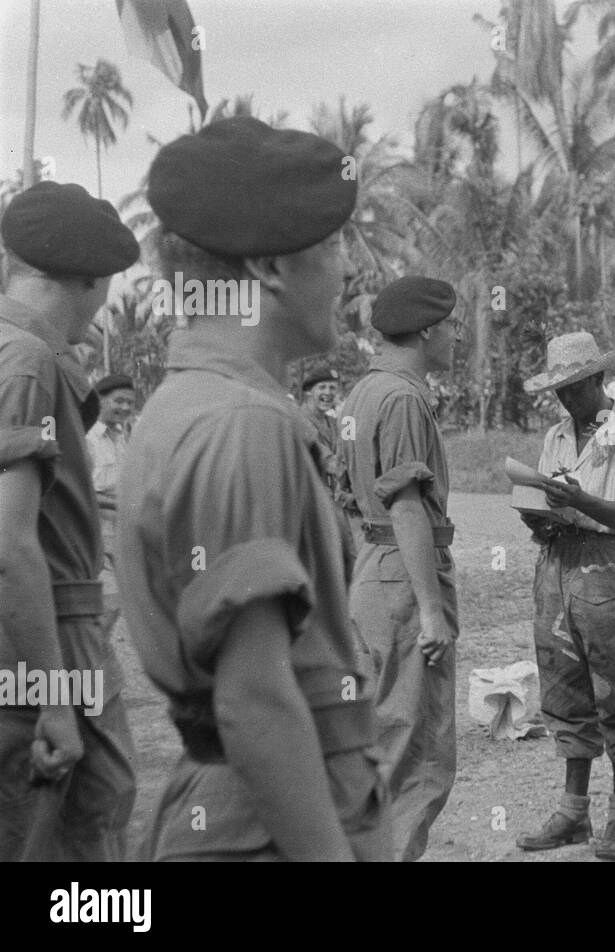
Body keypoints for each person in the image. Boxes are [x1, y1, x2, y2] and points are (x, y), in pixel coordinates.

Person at [116, 116, 391, 860]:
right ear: (270, 268)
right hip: (270, 828)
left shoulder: (185, 403)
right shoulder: (244, 425)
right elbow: (255, 698)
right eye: (333, 246)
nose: (346, 271)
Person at [0, 181, 139, 860]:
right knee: (72, 831)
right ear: (90, 278)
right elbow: (11, 546)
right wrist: (56, 699)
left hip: (34, 632)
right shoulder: (26, 361)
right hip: (47, 633)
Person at [338, 275, 461, 862]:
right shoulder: (404, 398)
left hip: (372, 569)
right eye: (453, 326)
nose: (458, 336)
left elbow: (347, 499)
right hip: (407, 571)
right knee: (417, 753)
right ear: (428, 330)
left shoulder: (362, 394)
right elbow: (407, 506)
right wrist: (433, 611)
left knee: (379, 737)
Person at [514, 331, 615, 860]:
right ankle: (574, 809)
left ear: (598, 379)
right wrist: (539, 512)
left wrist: (581, 501)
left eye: (575, 387)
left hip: (607, 568)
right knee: (563, 686)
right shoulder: (556, 435)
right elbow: (546, 498)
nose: (567, 398)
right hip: (558, 563)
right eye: (560, 390)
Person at [86, 373, 136, 637]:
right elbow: (83, 492)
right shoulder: (87, 438)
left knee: (114, 609)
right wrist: (122, 505)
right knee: (107, 607)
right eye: (119, 401)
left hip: (120, 537)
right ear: (100, 400)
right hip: (95, 537)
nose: (126, 408)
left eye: (130, 403)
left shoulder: (121, 436)